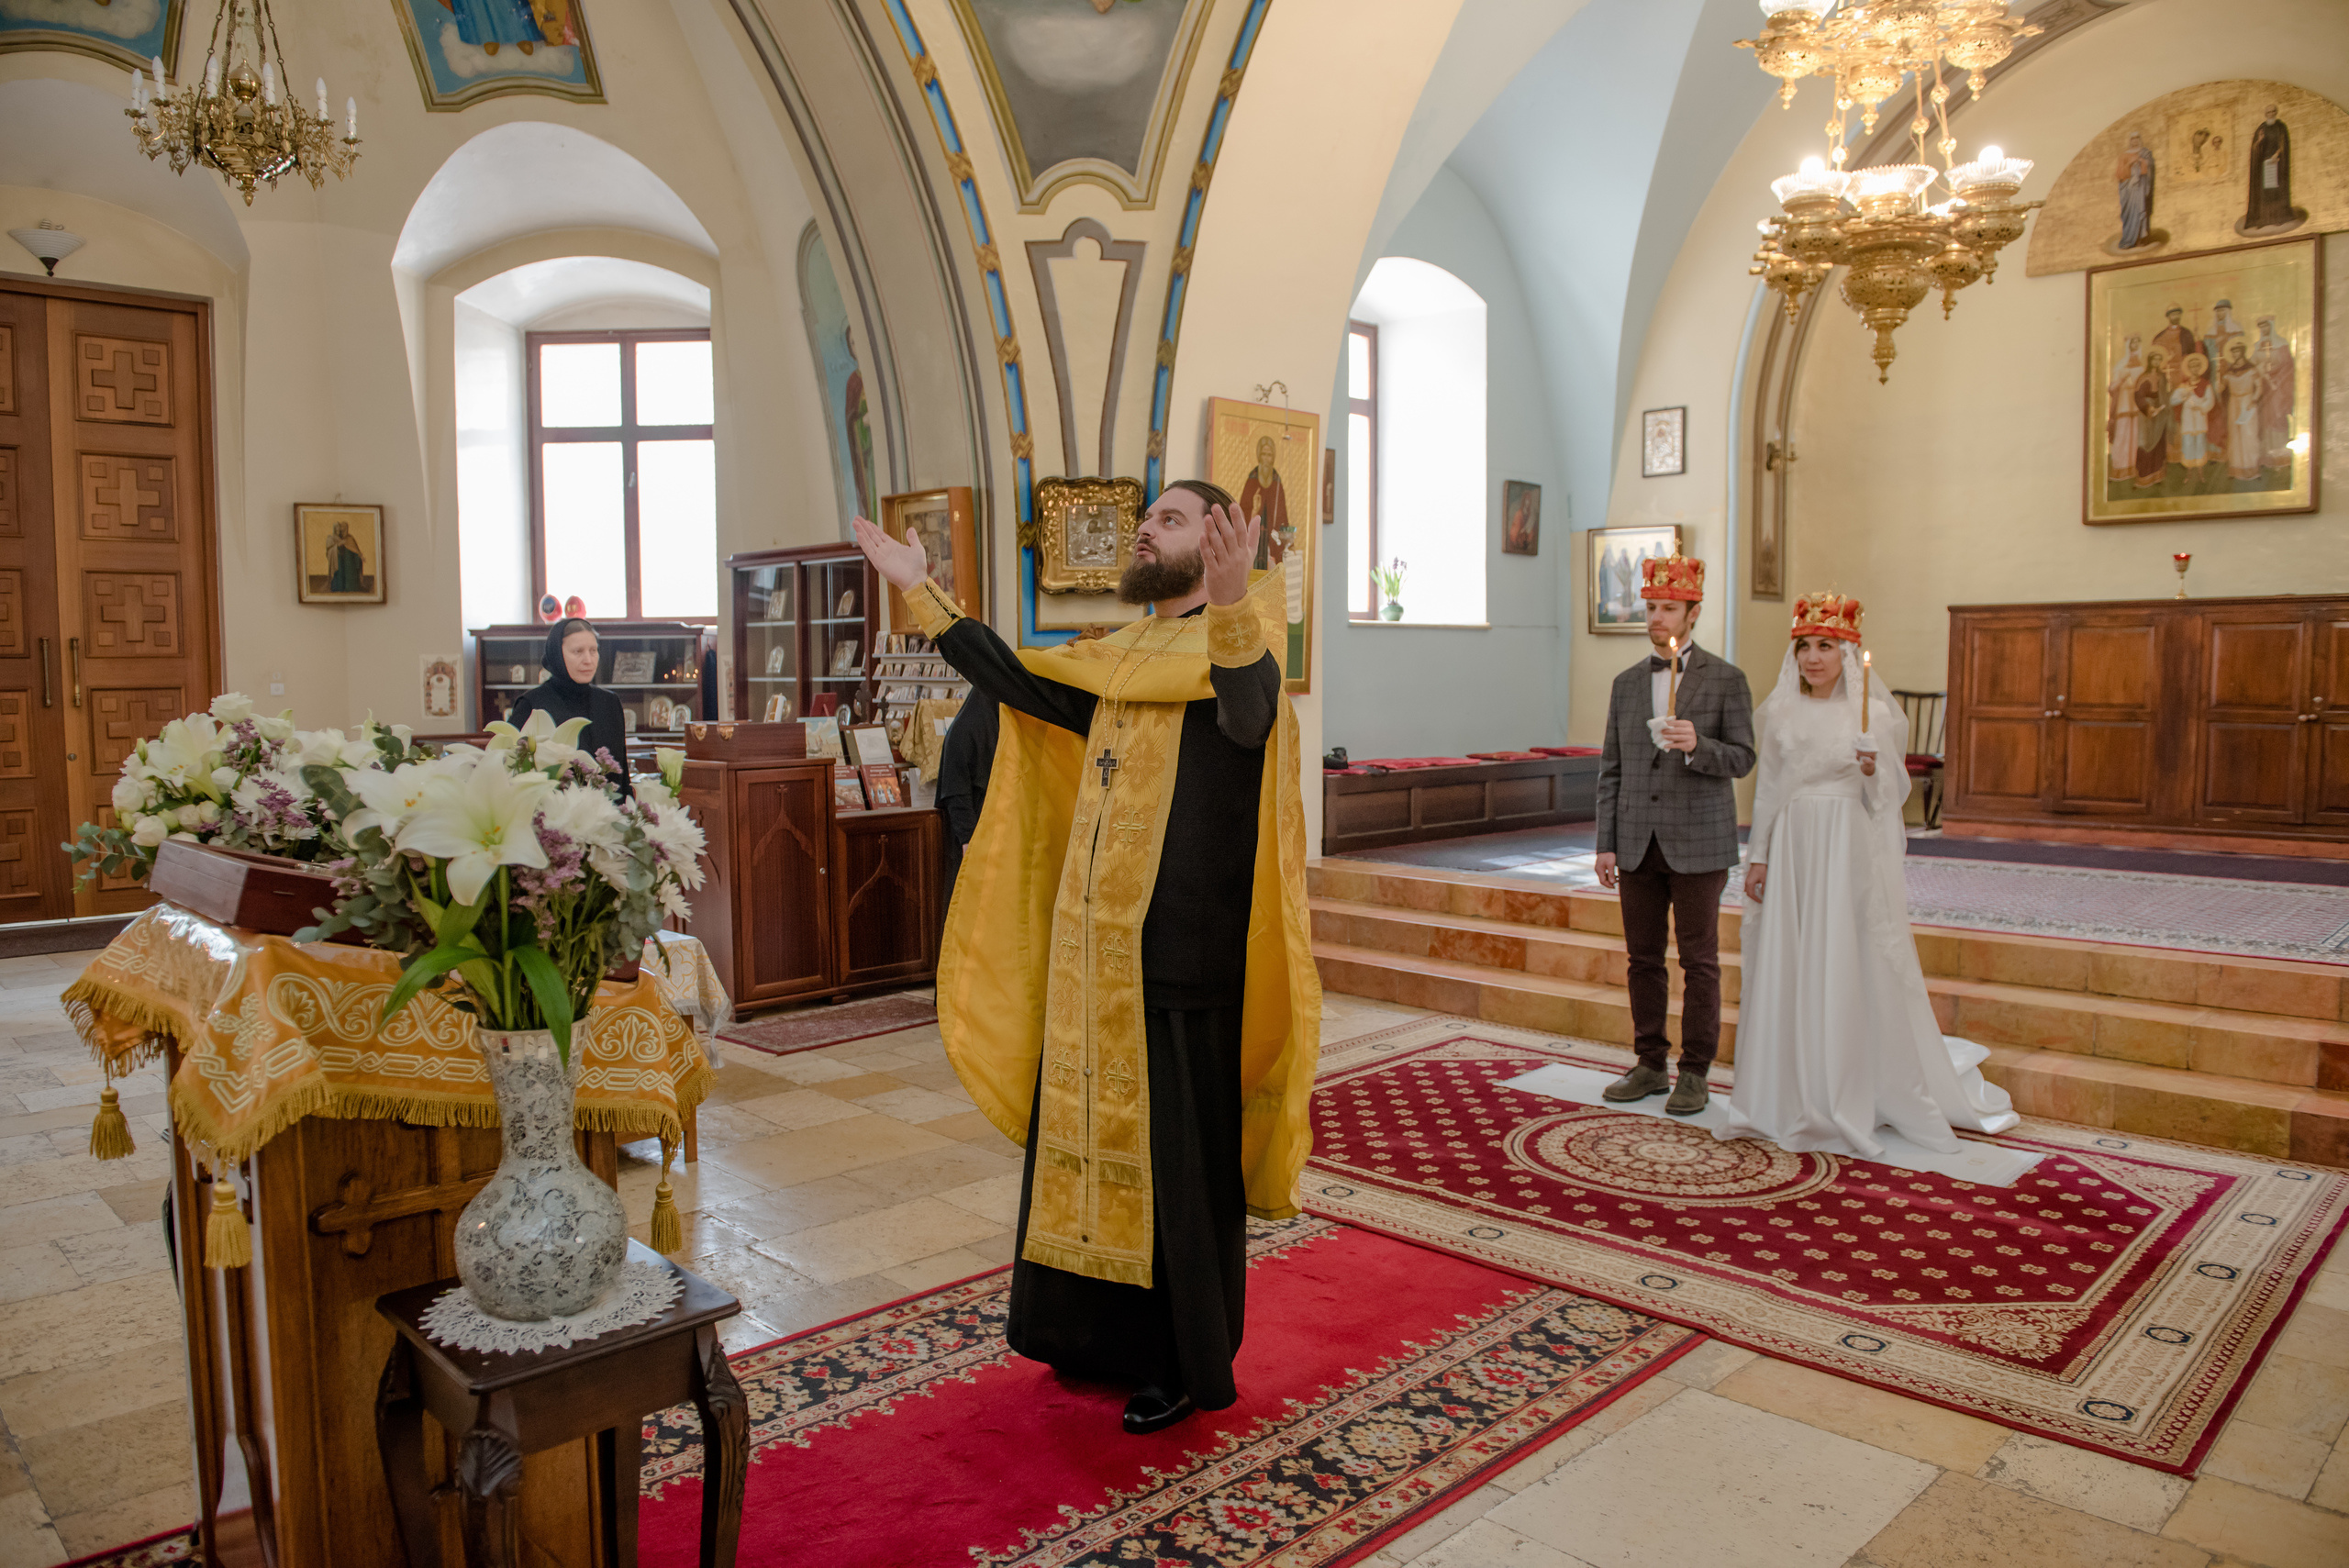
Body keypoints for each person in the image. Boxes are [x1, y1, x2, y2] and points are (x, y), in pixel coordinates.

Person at [852, 481, 1319, 1436]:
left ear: (1219, 542)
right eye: (1147, 516)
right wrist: (922, 593)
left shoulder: (1247, 648)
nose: (1148, 526)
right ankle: (1084, 1331)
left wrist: (1231, 604)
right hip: (1097, 951)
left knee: (1177, 1172)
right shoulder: (1116, 657)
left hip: (1187, 961)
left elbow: (1244, 714)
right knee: (1086, 1145)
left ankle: (1179, 1359)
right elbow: (1012, 675)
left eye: (1173, 517)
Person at [1718, 594, 2018, 1158]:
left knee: (1842, 952)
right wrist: (1757, 856)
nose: (1813, 657)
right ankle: (1787, 1089)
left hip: (1845, 842)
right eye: (1804, 646)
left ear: (1848, 653)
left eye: (1825, 646)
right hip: (1792, 844)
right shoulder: (1780, 711)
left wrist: (1873, 767)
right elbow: (1771, 789)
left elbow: (1887, 800)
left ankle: (1850, 1085)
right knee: (1794, 954)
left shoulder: (1873, 716)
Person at [1594, 553, 1755, 1116]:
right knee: (1643, 959)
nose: (1657, 617)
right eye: (1652, 607)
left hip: (1700, 843)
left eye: (1669, 608)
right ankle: (1648, 1064)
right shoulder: (1627, 682)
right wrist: (1605, 841)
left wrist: (1699, 746)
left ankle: (1695, 1071)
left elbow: (1743, 758)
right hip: (1637, 840)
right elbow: (1611, 767)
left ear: (1693, 612)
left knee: (1699, 960)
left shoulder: (1726, 680)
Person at [505, 617, 633, 796]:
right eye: (577, 651)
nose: (588, 660)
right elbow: (511, 770)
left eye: (593, 650)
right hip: (554, 814)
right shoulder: (532, 704)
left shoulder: (609, 702)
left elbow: (622, 774)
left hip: (610, 814)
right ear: (557, 654)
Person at [934, 692, 999, 909]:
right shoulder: (964, 730)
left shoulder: (989, 722)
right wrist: (969, 840)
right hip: (970, 835)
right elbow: (955, 791)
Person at [2246, 105, 2294, 231]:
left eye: (2273, 112)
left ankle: (2277, 218)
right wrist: (2260, 140)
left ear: (2276, 113)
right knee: (2264, 193)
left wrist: (2277, 154)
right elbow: (2255, 148)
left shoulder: (2281, 127)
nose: (2271, 114)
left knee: (2275, 192)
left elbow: (2283, 144)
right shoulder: (2261, 129)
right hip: (2264, 165)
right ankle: (2263, 219)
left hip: (2277, 163)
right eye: (2268, 112)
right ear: (2265, 114)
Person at [2114, 130, 2154, 250]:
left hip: (2140, 187)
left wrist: (2143, 162)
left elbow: (2149, 168)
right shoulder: (2124, 155)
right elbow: (2120, 174)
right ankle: (2129, 238)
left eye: (2137, 138)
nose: (2135, 141)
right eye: (2133, 139)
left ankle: (2141, 238)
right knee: (2130, 213)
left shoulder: (2145, 152)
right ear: (2130, 141)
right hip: (2128, 189)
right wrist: (2130, 164)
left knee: (2140, 210)